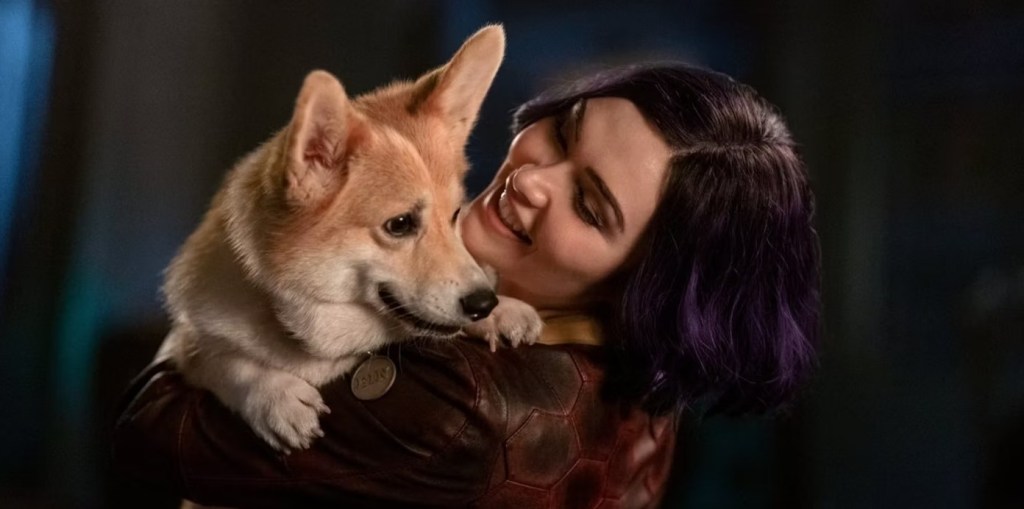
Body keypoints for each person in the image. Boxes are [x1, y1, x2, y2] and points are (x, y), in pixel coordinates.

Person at [113, 63, 820, 508]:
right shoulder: (642, 383)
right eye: (564, 132)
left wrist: (206, 334)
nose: (533, 180)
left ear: (644, 285)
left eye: (589, 205)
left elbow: (153, 435)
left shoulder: (460, 407)